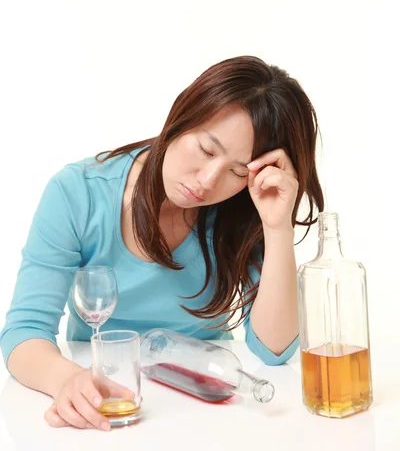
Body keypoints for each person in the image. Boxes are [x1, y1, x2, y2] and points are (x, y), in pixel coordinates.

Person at [0, 55, 324, 431]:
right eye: (205, 149)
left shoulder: (240, 212)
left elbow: (273, 349)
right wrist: (67, 381)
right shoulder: (78, 193)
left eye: (237, 171)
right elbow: (24, 333)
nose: (207, 181)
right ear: (181, 117)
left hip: (206, 404)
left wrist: (277, 226)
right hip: (105, 400)